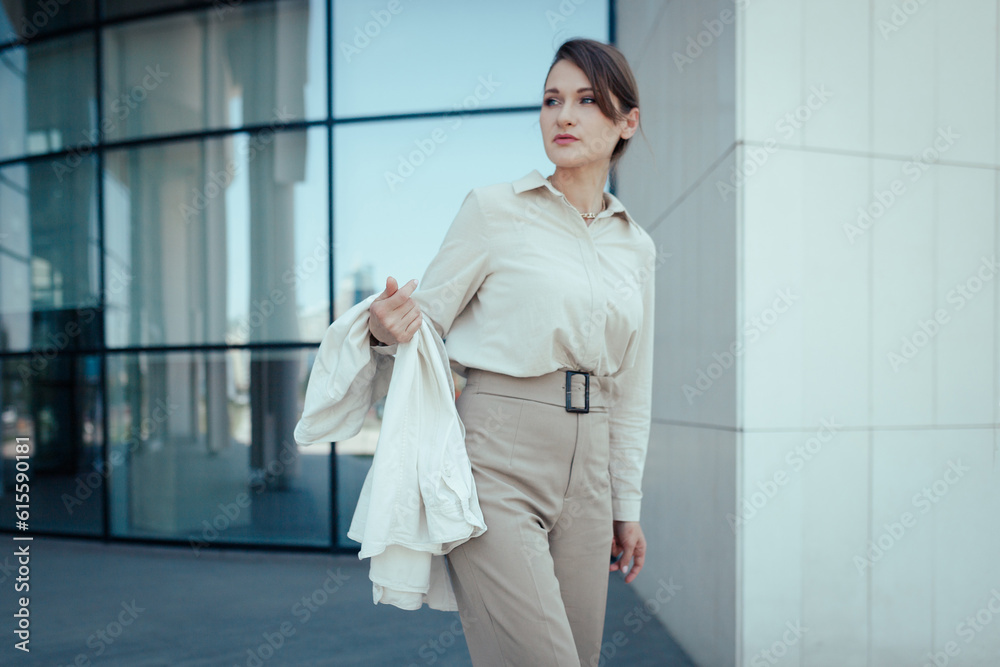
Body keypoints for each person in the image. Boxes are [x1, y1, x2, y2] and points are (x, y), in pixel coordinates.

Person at [367, 38, 654, 667]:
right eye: (552, 100)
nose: (564, 116)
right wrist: (383, 329)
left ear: (626, 121)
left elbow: (633, 385)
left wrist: (624, 506)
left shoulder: (637, 247)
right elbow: (424, 321)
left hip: (592, 469)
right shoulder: (493, 211)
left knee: (580, 657)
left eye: (586, 101)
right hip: (496, 458)